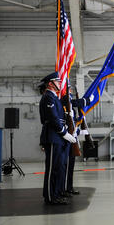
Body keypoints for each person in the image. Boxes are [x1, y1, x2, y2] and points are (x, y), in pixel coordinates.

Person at [39, 72, 77, 205]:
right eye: (58, 81)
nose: (60, 84)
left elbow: (60, 117)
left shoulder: (54, 97)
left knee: (58, 166)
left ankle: (56, 193)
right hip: (52, 136)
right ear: (50, 83)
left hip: (58, 137)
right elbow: (53, 119)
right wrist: (64, 132)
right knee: (52, 168)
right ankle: (50, 196)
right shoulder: (48, 97)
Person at [64, 86, 90, 196]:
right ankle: (64, 188)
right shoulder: (64, 102)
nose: (70, 91)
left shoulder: (70, 106)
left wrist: (78, 131)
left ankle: (69, 187)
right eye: (69, 89)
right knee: (65, 166)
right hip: (66, 139)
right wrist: (86, 100)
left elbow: (73, 122)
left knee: (71, 166)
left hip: (72, 138)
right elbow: (73, 102)